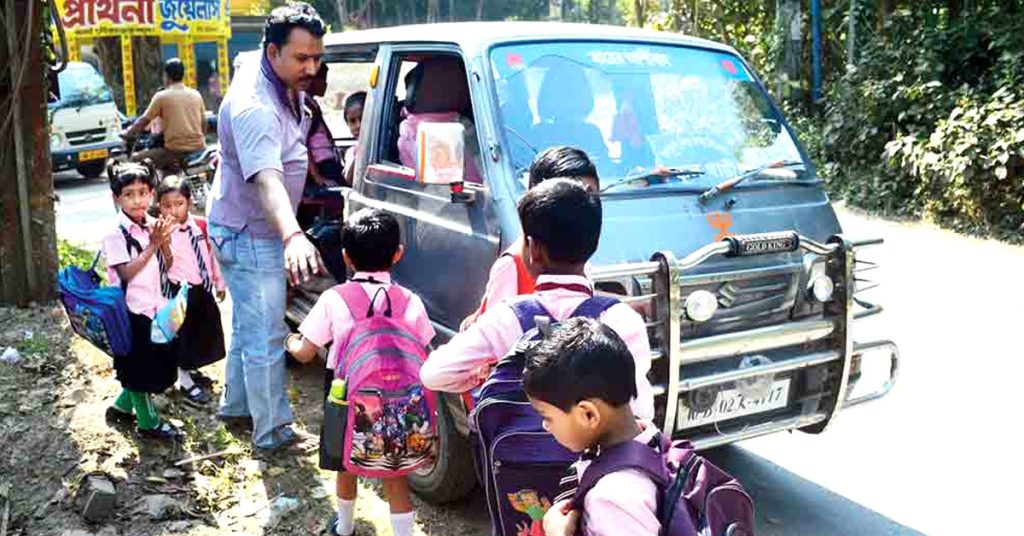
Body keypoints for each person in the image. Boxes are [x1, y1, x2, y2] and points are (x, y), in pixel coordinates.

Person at [420, 178, 654, 422]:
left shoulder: (507, 317)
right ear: (593, 245)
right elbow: (641, 411)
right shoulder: (622, 319)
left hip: (522, 445)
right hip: (598, 446)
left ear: (533, 249)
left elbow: (433, 374)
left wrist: (481, 376)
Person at [206, 2, 327, 451]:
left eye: (317, 58)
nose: (311, 68)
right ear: (273, 52)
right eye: (302, 58)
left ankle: (237, 407)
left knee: (248, 325)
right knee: (266, 335)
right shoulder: (255, 105)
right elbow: (267, 179)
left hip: (240, 225)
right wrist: (292, 234)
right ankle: (273, 431)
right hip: (251, 233)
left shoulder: (278, 78)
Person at [285, 209, 435, 536]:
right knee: (395, 473)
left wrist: (289, 340)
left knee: (345, 463)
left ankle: (344, 528)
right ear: (398, 254)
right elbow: (425, 349)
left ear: (346, 257)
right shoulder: (410, 300)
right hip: (399, 397)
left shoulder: (334, 298)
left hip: (344, 391)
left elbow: (305, 352)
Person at [522, 318, 660, 536]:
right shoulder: (652, 441)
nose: (545, 426)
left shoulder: (613, 500)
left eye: (547, 417)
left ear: (588, 414)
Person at [460, 146, 599, 330]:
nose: (583, 207)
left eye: (590, 195)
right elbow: (493, 333)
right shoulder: (512, 266)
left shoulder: (580, 261)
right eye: (568, 198)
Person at [101, 160, 183, 440]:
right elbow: (126, 272)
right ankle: (148, 424)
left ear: (151, 194)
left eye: (143, 193)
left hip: (156, 307)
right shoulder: (115, 233)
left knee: (148, 364)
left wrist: (164, 243)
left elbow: (168, 264)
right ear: (117, 198)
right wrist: (153, 244)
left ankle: (120, 408)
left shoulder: (152, 224)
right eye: (129, 194)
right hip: (131, 312)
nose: (137, 200)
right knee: (139, 369)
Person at [156, 176, 227, 405]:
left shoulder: (202, 226)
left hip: (202, 288)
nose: (173, 210)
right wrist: (163, 241)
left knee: (203, 330)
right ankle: (184, 378)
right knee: (183, 335)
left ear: (189, 202)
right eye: (167, 205)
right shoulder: (160, 231)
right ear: (159, 206)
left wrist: (219, 283)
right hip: (178, 291)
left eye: (179, 203)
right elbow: (162, 265)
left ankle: (192, 368)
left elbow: (213, 257)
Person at [122, 58, 206, 173]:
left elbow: (144, 120)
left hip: (174, 151)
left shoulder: (162, 96)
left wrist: (128, 132)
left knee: (136, 159)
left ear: (166, 76)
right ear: (183, 75)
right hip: (199, 149)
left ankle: (152, 185)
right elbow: (204, 123)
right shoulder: (196, 95)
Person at [341, 91, 366, 185]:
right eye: (352, 121)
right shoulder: (351, 153)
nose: (358, 126)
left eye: (363, 119)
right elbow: (348, 181)